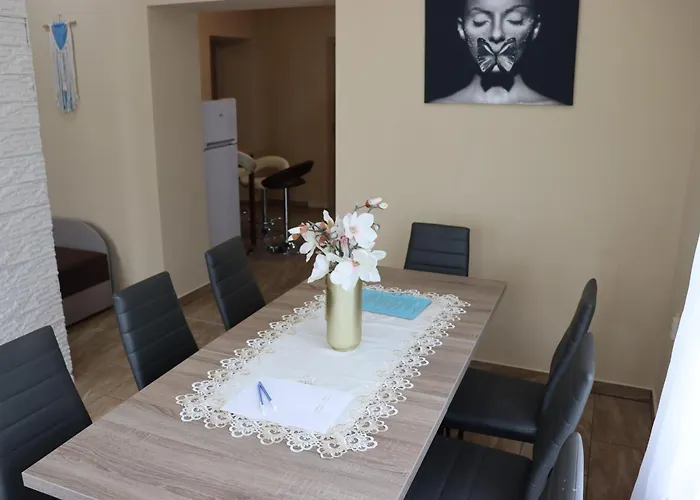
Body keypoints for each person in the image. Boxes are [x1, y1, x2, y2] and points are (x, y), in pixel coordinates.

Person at [434, 0, 560, 105]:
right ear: (461, 28)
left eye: (515, 19)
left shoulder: (556, 113)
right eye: (479, 21)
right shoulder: (438, 111)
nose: (496, 34)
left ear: (535, 27)